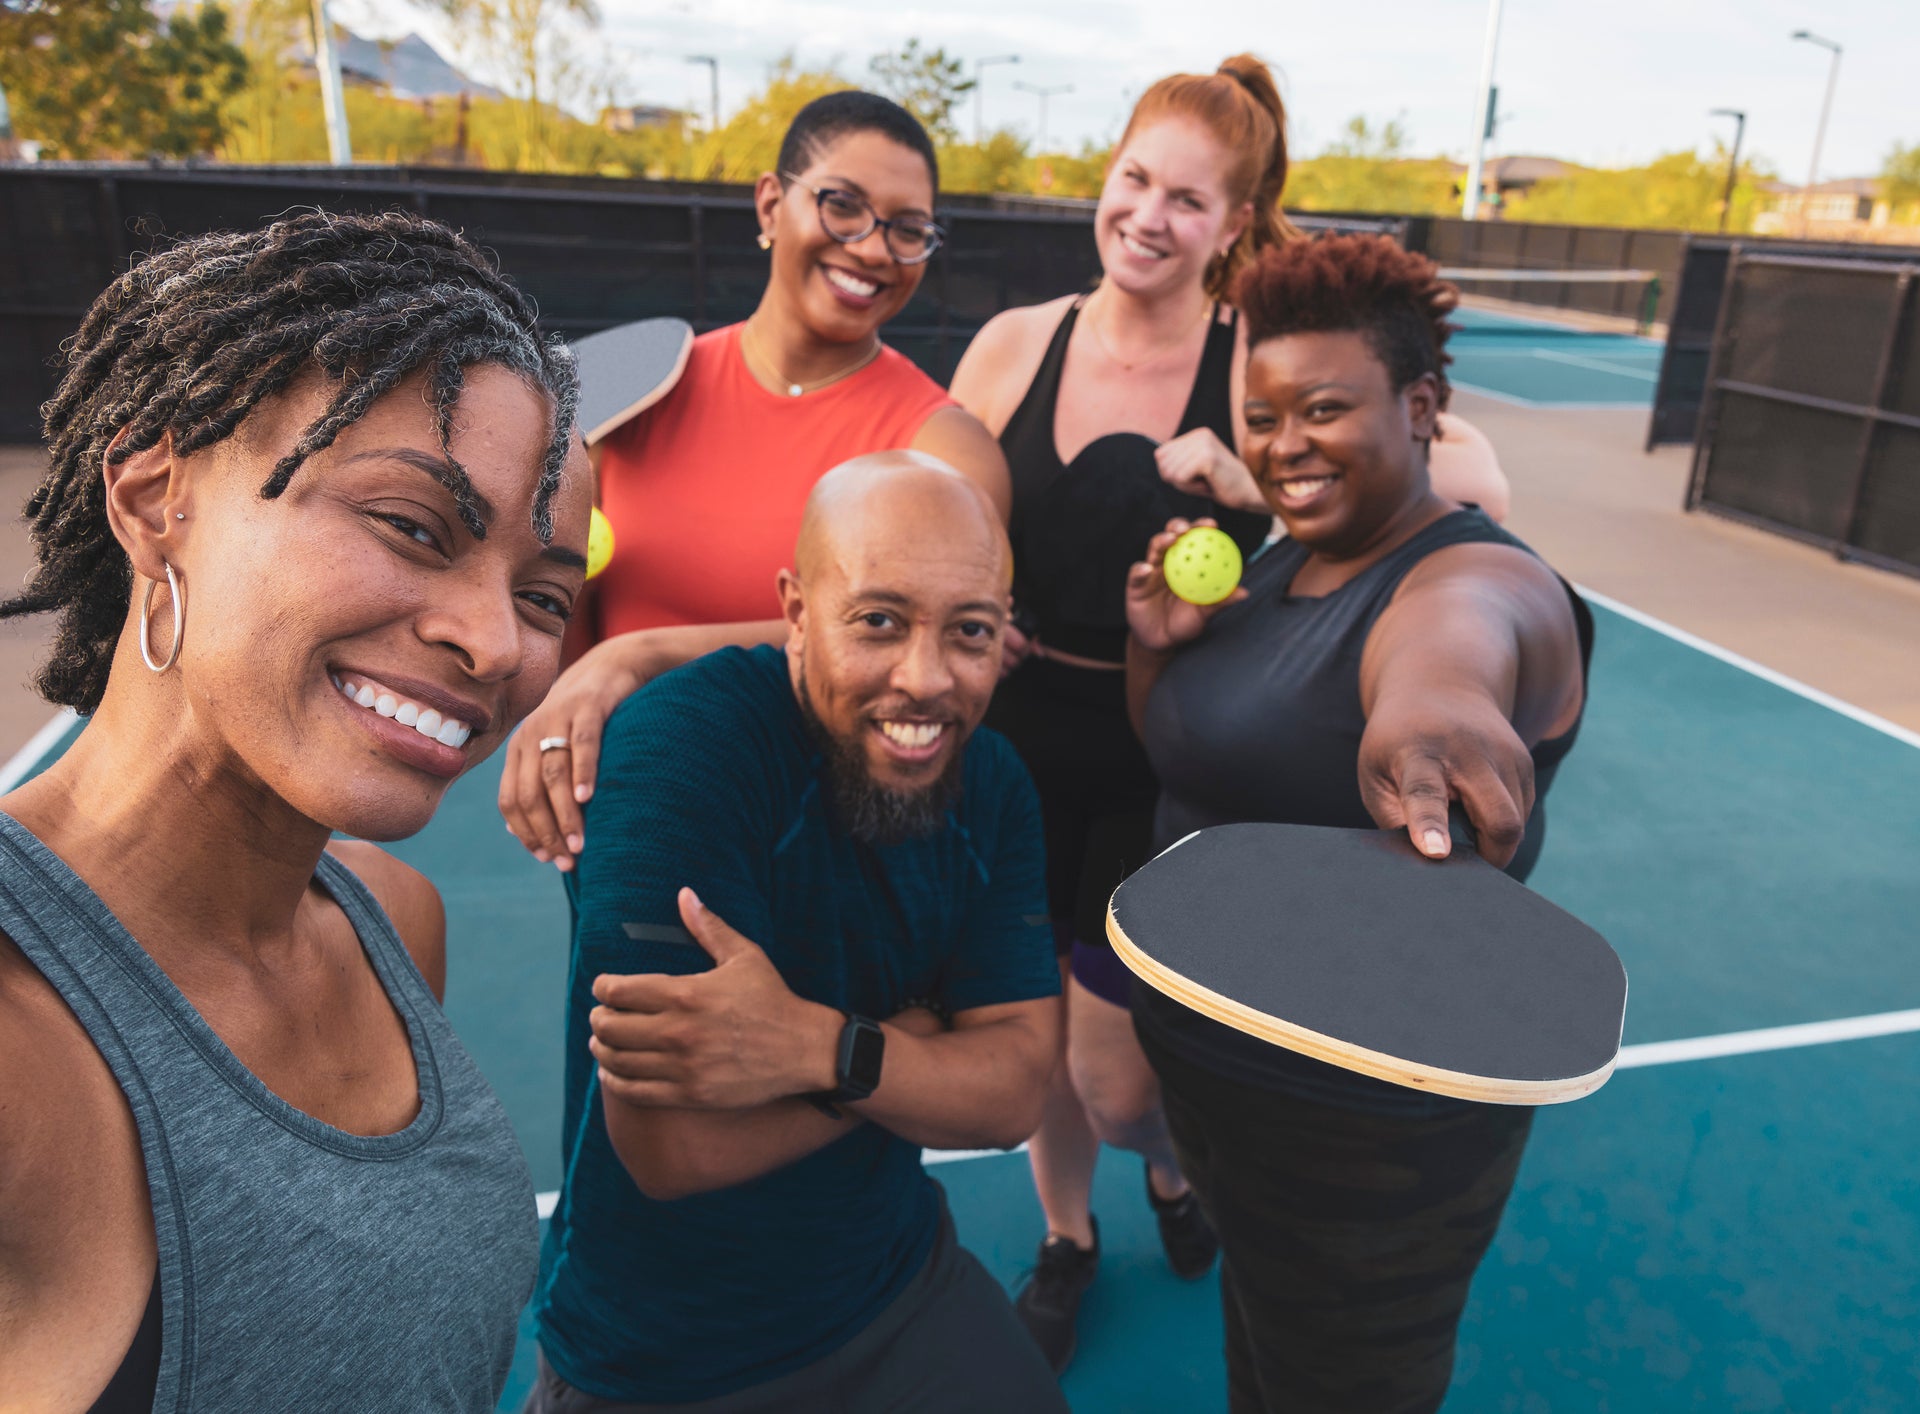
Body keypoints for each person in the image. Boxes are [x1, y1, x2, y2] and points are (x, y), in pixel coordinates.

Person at [0, 211, 589, 1410]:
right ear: (156, 496)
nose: (490, 642)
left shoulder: (391, 918)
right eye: (413, 526)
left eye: (541, 596)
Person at [1123, 233, 1593, 1412]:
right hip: (1223, 1081)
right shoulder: (1282, 567)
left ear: (1421, 403)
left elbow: (1457, 646)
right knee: (1262, 1358)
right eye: (1263, 414)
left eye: (1323, 408)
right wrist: (1157, 644)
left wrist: (1435, 710)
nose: (1284, 446)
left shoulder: (1476, 580)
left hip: (1367, 1130)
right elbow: (1185, 756)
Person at [528, 453, 1067, 1413]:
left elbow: (1015, 1093)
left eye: (971, 632)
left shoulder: (996, 783)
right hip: (662, 1352)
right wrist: (924, 1043)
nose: (926, 679)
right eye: (880, 622)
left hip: (897, 1282)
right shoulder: (683, 749)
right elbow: (673, 1148)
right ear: (794, 611)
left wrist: (823, 1048)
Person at [945, 53, 1299, 1367]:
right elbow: (933, 509)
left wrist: (1250, 489)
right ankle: (1069, 1233)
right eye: (1133, 179)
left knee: (1120, 1074)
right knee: (1031, 1033)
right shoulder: (1012, 345)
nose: (1149, 216)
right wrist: (975, 605)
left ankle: (1168, 1167)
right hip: (1008, 748)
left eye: (1189, 200)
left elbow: (1381, 503)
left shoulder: (1256, 360)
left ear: (1236, 225)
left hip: (1168, 758)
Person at [500, 90, 1009, 872]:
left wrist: (638, 657)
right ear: (772, 204)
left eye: (907, 230)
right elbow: (547, 598)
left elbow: (930, 651)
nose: (874, 248)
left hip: (832, 846)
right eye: (843, 206)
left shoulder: (945, 452)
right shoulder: (631, 389)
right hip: (627, 827)